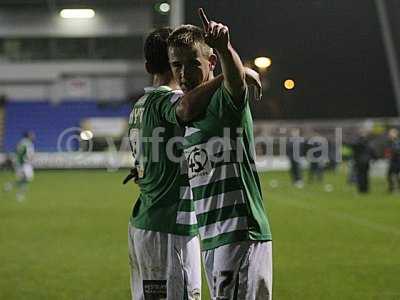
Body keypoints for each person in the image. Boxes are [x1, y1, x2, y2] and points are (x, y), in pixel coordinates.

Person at [167, 9, 272, 299]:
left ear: (211, 62)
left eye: (192, 64)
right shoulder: (190, 110)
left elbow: (236, 83)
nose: (184, 74)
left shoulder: (225, 103)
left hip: (239, 233)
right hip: (212, 236)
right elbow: (185, 107)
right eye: (177, 66)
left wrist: (225, 48)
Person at [125, 27, 228, 300]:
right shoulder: (165, 99)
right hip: (170, 229)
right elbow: (186, 107)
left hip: (145, 224)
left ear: (148, 65)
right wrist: (231, 75)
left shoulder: (139, 105)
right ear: (174, 61)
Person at [385, 128, 400, 192]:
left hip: (397, 161)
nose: (389, 135)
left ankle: (393, 189)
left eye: (391, 133)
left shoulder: (397, 142)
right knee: (390, 175)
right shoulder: (390, 142)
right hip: (393, 161)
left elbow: (396, 151)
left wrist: (391, 153)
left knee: (394, 175)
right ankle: (392, 188)